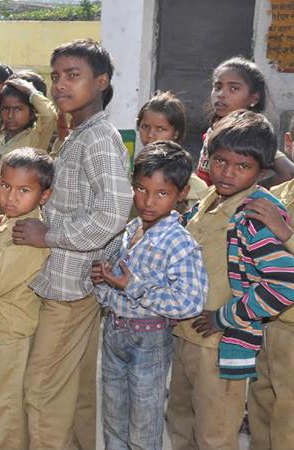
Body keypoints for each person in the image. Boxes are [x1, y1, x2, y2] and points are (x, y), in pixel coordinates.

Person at [15, 39, 132, 450]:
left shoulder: (98, 139)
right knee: (77, 388)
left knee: (41, 389)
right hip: (77, 283)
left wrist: (48, 235)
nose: (61, 84)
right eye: (56, 76)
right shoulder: (80, 134)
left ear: (101, 82)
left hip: (69, 290)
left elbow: (112, 214)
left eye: (73, 75)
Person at [169, 110, 294, 450]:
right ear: (207, 157)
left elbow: (284, 283)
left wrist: (226, 316)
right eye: (221, 161)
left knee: (215, 436)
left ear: (261, 172)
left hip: (220, 345)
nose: (228, 172)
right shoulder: (203, 204)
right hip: (185, 335)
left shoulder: (254, 214)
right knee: (181, 425)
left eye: (243, 166)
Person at [92, 142, 207, 450]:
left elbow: (190, 301)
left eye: (162, 193)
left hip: (150, 339)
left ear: (181, 194)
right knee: (113, 418)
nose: (148, 201)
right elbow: (114, 284)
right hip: (114, 331)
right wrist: (103, 282)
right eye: (141, 189)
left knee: (144, 425)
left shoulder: (179, 242)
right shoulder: (131, 229)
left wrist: (134, 285)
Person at [0, 147, 53, 449]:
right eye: (6, 186)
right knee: (3, 402)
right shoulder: (12, 221)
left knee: (5, 410)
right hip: (3, 330)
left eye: (24, 190)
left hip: (11, 335)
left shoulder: (27, 236)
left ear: (44, 196)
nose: (10, 197)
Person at [239, 115, 294, 450]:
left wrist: (285, 232)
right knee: (261, 407)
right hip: (266, 320)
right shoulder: (277, 194)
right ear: (289, 143)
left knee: (288, 421)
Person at [195, 57, 294, 188]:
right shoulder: (217, 127)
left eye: (233, 88)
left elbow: (288, 172)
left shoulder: (251, 135)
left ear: (253, 99)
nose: (221, 94)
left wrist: (250, 191)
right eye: (218, 87)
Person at [0, 73, 57, 210]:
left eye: (18, 109)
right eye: (5, 108)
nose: (10, 115)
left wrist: (31, 92)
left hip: (19, 216)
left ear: (32, 113)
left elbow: (50, 115)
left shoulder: (35, 138)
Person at [136, 91, 209, 210]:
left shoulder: (195, 186)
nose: (150, 135)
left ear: (176, 133)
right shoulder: (133, 174)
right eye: (145, 127)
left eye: (160, 129)